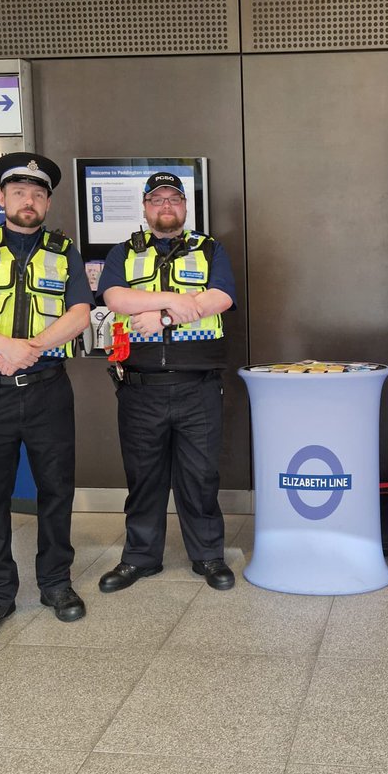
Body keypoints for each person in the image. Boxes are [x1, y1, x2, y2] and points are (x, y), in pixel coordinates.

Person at [0, 152, 93, 641]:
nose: (29, 201)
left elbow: (79, 312)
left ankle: (55, 584)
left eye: (38, 193)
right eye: (19, 192)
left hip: (49, 391)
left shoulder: (63, 249)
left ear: (48, 202)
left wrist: (31, 350)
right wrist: (6, 346)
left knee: (56, 492)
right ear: (2, 198)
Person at [96, 171, 237, 592]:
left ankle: (209, 557)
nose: (165, 207)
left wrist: (160, 316)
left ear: (185, 207)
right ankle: (140, 558)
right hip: (140, 388)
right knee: (144, 478)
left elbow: (221, 297)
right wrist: (176, 300)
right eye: (156, 200)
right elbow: (114, 297)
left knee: (200, 478)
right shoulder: (123, 252)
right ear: (144, 207)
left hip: (199, 386)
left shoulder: (211, 249)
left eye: (173, 199)